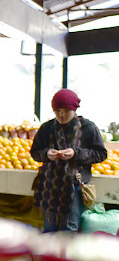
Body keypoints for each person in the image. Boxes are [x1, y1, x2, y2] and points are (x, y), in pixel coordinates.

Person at [30, 89, 107, 232]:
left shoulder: (88, 128)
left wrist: (76, 154)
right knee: (49, 227)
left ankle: (65, 254)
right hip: (50, 185)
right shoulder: (47, 128)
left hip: (75, 185)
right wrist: (46, 154)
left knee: (70, 227)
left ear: (74, 109)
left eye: (66, 110)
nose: (62, 115)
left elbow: (100, 154)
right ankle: (49, 253)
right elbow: (34, 152)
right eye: (57, 111)